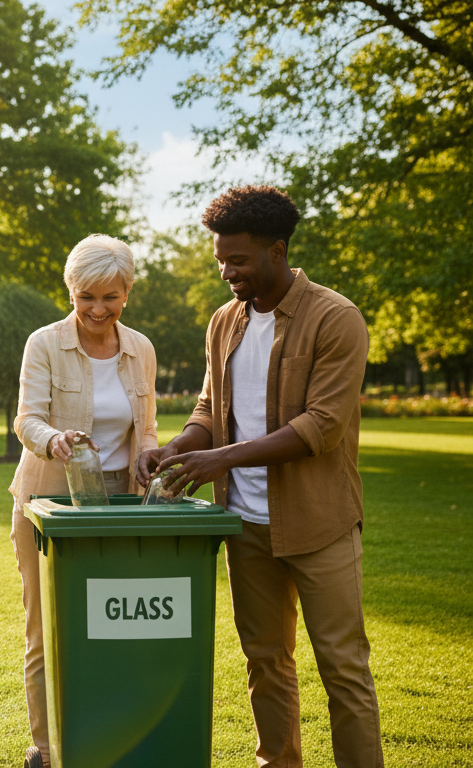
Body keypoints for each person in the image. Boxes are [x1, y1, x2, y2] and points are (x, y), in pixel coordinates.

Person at [139, 185, 381, 767]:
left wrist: (220, 459)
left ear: (277, 251)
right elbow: (209, 409)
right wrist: (178, 448)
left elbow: (320, 425)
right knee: (266, 662)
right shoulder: (225, 322)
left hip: (319, 523)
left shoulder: (335, 317)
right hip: (245, 526)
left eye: (238, 260)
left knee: (342, 666)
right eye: (221, 259)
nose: (226, 271)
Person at [7, 234, 159, 766]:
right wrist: (54, 439)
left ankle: (114, 734)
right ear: (71, 290)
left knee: (117, 623)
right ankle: (48, 747)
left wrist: (151, 456)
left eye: (110, 297)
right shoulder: (45, 343)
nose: (98, 309)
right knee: (47, 627)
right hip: (50, 499)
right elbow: (27, 417)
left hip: (120, 503)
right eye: (86, 297)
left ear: (127, 293)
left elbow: (148, 426)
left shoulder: (141, 348)